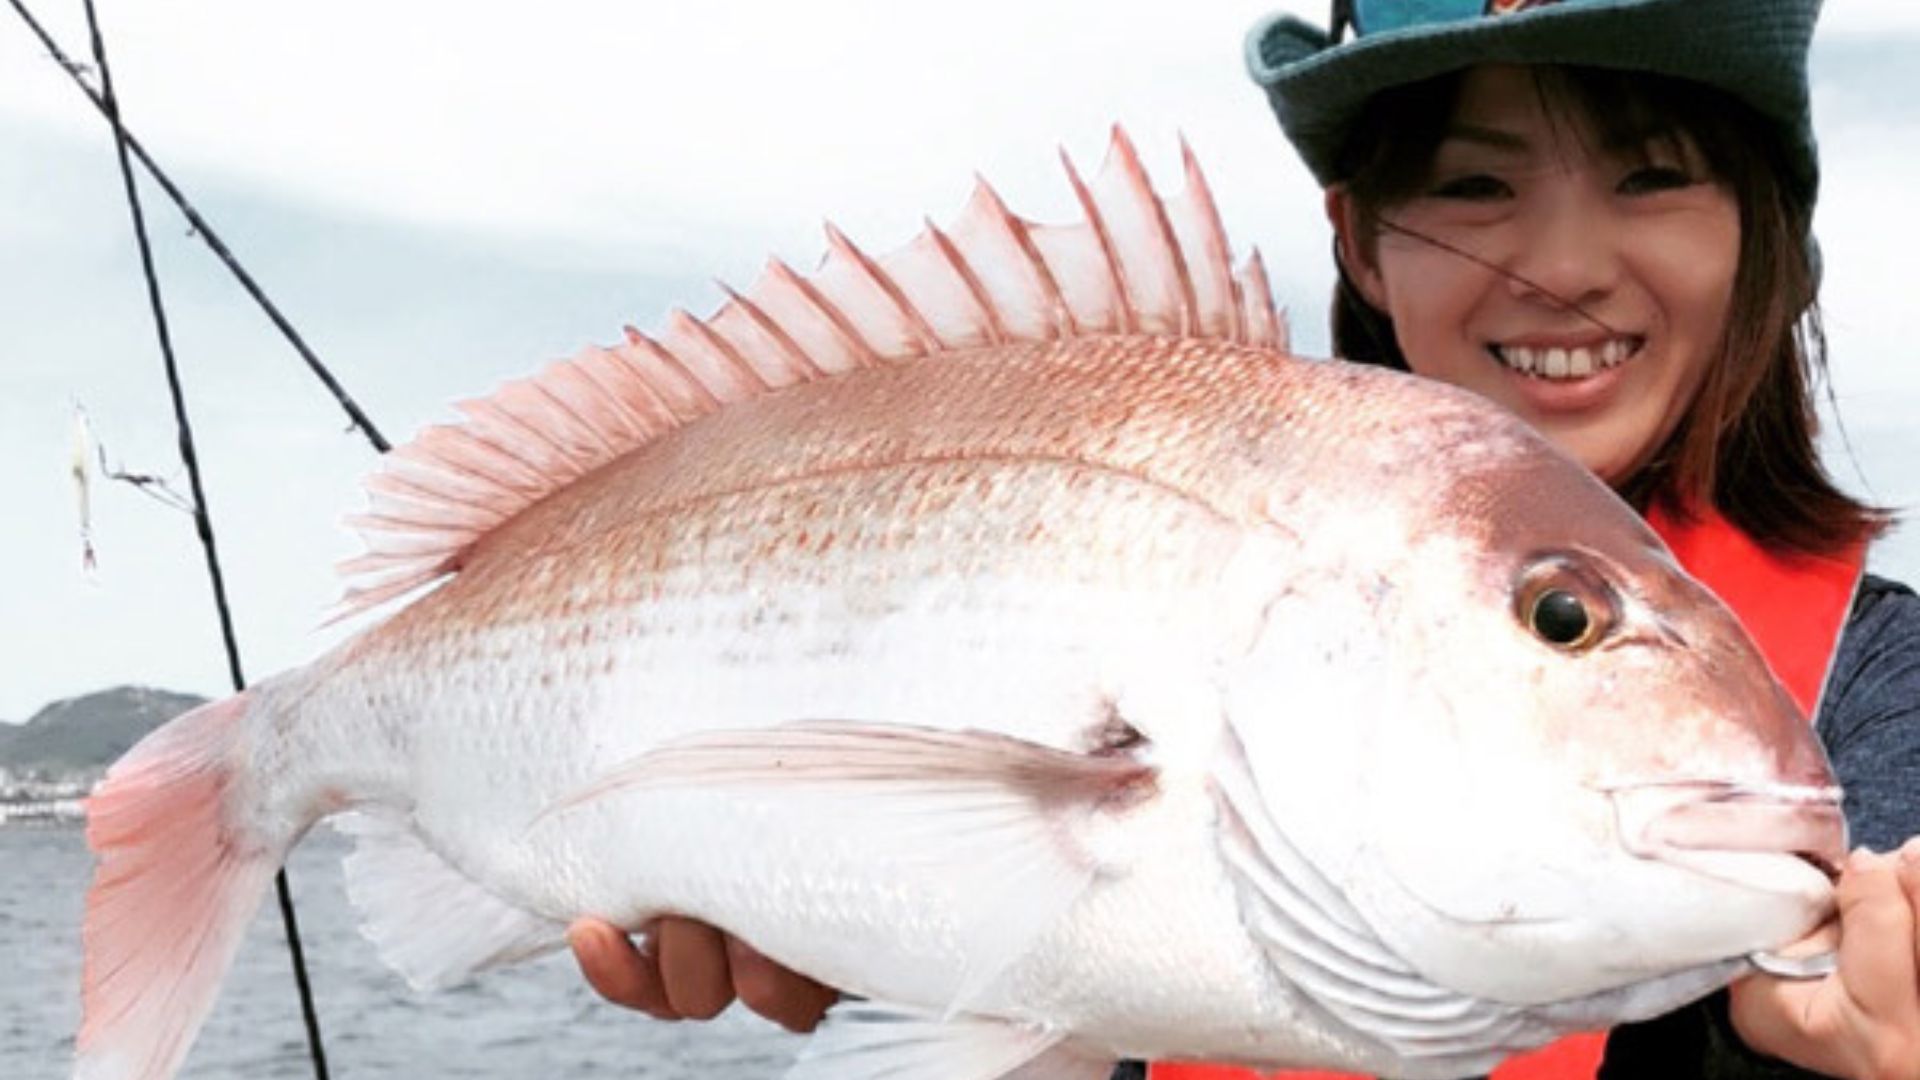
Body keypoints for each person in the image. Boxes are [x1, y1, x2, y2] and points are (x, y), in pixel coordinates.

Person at [567, 1, 1920, 1077]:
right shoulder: (1212, 581)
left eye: (1652, 176)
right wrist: (874, 929)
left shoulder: (1883, 704)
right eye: (1472, 186)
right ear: (1359, 243)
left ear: (1770, 235)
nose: (1561, 262)